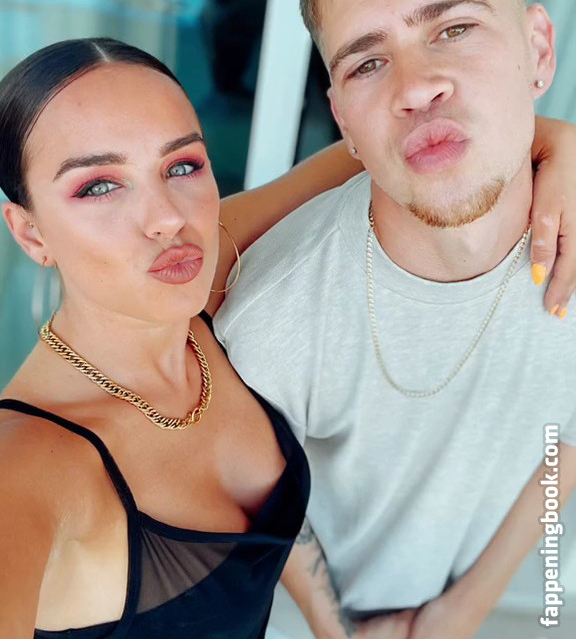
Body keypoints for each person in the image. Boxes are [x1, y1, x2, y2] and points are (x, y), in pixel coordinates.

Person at [0, 44, 575, 639]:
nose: (167, 216)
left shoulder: (209, 272)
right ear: (31, 232)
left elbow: (377, 150)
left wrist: (556, 143)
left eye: (183, 166)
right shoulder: (26, 463)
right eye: (98, 187)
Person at [213, 0, 576, 638]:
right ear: (342, 118)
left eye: (454, 29)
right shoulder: (275, 318)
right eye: (368, 63)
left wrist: (467, 606)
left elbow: (564, 435)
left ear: (538, 49)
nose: (417, 88)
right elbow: (257, 497)